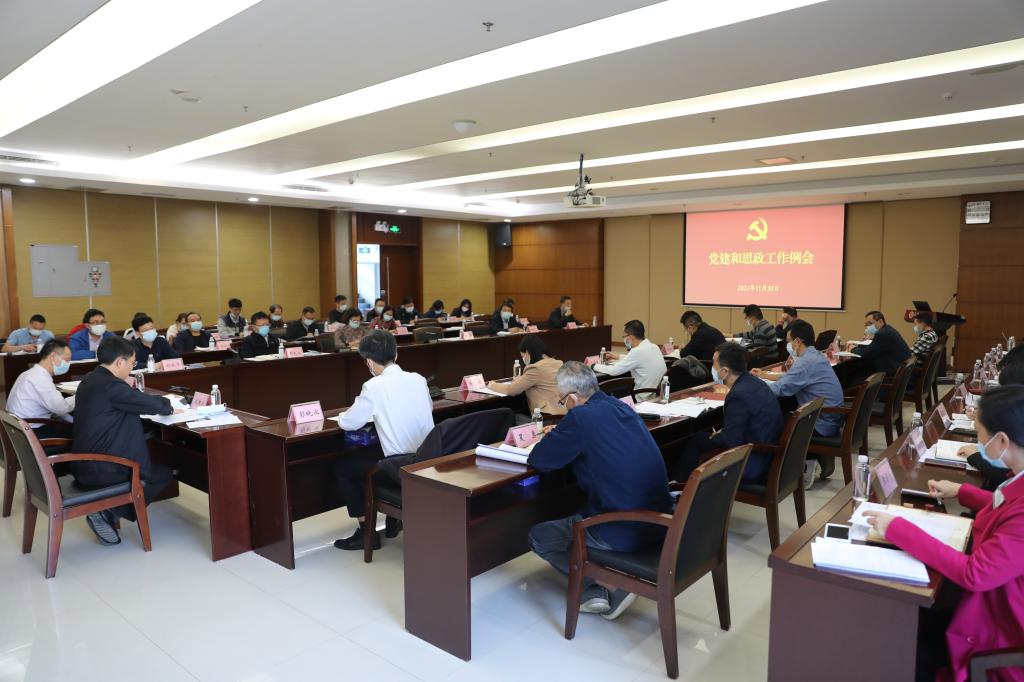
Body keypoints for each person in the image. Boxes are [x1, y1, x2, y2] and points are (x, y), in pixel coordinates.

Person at [863, 385, 1024, 682]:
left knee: (900, 642)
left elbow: (976, 573)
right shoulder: (1018, 477)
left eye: (981, 435)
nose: (979, 443)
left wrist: (898, 529)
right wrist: (962, 491)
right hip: (990, 606)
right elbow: (1005, 508)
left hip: (999, 633)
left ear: (1003, 440)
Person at [527, 361, 673, 619]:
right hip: (660, 520)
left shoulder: (579, 417)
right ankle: (608, 576)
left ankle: (607, 587)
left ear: (572, 398)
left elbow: (540, 459)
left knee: (539, 536)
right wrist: (564, 432)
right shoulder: (619, 406)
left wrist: (555, 435)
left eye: (563, 402)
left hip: (623, 529)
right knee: (579, 509)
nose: (564, 407)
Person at [70, 337, 178, 545]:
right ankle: (108, 511)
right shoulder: (112, 386)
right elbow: (155, 406)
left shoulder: (91, 379)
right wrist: (168, 403)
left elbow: (127, 400)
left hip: (83, 461)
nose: (132, 368)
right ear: (120, 362)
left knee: (153, 460)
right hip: (103, 468)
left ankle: (108, 511)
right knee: (162, 474)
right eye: (132, 363)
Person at [333, 331, 433, 550]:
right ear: (396, 355)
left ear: (369, 362)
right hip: (427, 460)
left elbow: (349, 423)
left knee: (344, 468)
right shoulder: (418, 379)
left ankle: (366, 533)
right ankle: (393, 520)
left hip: (401, 468)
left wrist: (340, 417)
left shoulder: (373, 386)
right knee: (376, 452)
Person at [671, 342, 784, 483]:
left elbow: (731, 441)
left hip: (754, 462)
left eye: (714, 363)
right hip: (768, 453)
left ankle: (680, 486)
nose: (712, 367)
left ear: (724, 371)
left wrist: (718, 435)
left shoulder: (738, 395)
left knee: (697, 439)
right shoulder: (755, 382)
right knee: (704, 437)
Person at [753, 321, 845, 487]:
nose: (788, 344)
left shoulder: (804, 363)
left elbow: (778, 390)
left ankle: (791, 468)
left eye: (789, 340)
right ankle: (815, 458)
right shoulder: (815, 355)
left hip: (821, 423)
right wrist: (766, 375)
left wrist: (749, 386)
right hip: (831, 417)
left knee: (773, 422)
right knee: (785, 409)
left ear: (797, 341)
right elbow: (795, 377)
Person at [6, 339, 75, 439]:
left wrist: (72, 420)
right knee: (79, 433)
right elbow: (61, 408)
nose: (68, 364)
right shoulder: (40, 378)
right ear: (53, 356)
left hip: (18, 428)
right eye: (67, 360)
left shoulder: (30, 373)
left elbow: (55, 409)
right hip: (31, 432)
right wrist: (79, 396)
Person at [487, 335, 566, 416]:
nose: (523, 359)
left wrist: (492, 385)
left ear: (528, 352)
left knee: (515, 416)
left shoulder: (535, 368)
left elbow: (511, 390)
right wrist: (520, 380)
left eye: (522, 356)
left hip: (547, 416)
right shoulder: (558, 363)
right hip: (564, 411)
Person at [594, 320, 666, 392]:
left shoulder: (637, 351)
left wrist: (593, 365)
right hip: (657, 393)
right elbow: (639, 360)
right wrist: (618, 357)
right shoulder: (654, 347)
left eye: (624, 337)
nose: (624, 340)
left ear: (631, 337)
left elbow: (614, 370)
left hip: (642, 395)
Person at [849, 310, 912, 375]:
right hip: (899, 369)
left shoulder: (882, 334)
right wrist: (859, 345)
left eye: (870, 323)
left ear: (880, 321)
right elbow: (875, 348)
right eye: (866, 324)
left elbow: (866, 353)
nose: (868, 327)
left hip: (892, 374)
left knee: (855, 373)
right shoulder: (888, 329)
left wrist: (853, 349)